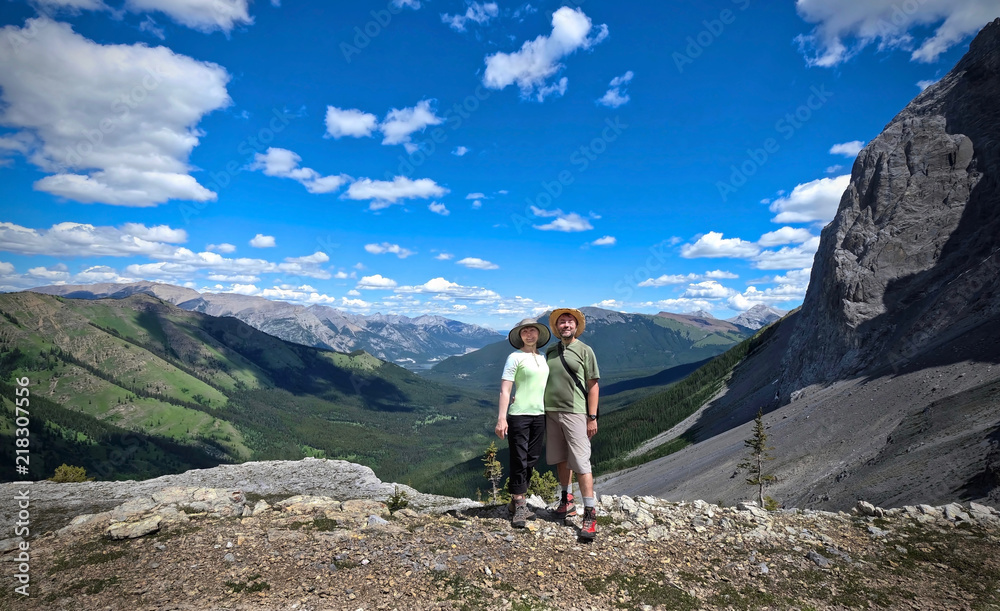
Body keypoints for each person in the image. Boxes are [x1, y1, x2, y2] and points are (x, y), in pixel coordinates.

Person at [544, 308, 601, 540]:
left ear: (576, 327)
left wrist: (592, 417)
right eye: (562, 322)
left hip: (576, 412)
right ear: (556, 327)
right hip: (551, 413)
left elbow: (593, 385)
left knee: (581, 462)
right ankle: (567, 500)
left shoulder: (585, 351)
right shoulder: (550, 351)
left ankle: (590, 512)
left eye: (569, 322)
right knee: (561, 458)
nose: (566, 325)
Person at [496, 317, 551, 528]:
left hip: (540, 414)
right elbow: (505, 389)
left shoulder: (543, 357)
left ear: (538, 334)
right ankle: (520, 502)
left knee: (533, 457)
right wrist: (502, 418)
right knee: (519, 457)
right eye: (525, 331)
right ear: (520, 335)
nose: (529, 334)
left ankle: (515, 499)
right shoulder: (514, 357)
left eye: (533, 331)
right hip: (519, 414)